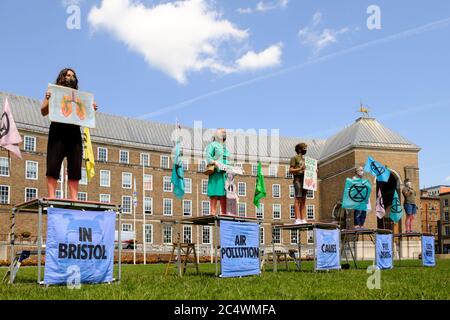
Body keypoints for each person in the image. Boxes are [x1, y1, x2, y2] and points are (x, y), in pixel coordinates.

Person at [41, 68, 97, 200]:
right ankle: (52, 197)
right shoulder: (53, 92)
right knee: (53, 164)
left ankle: (74, 198)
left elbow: (83, 116)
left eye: (72, 76)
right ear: (62, 77)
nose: (70, 77)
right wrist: (47, 99)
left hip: (74, 132)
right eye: (67, 75)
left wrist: (91, 108)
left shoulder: (80, 97)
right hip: (57, 131)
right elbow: (43, 112)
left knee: (75, 165)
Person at [205, 128, 229, 215]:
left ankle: (223, 212)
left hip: (225, 173)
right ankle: (213, 211)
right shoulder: (212, 145)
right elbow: (208, 156)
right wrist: (214, 162)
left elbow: (227, 159)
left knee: (224, 193)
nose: (224, 132)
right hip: (216, 172)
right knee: (214, 191)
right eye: (222, 131)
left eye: (224, 132)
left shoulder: (225, 147)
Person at [289, 143, 309, 224]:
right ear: (300, 149)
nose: (306, 150)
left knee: (303, 200)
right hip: (298, 180)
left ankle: (303, 218)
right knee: (298, 198)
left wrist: (314, 171)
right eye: (305, 148)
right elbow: (290, 170)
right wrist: (300, 168)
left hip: (305, 181)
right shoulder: (294, 158)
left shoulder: (306, 160)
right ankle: (297, 219)